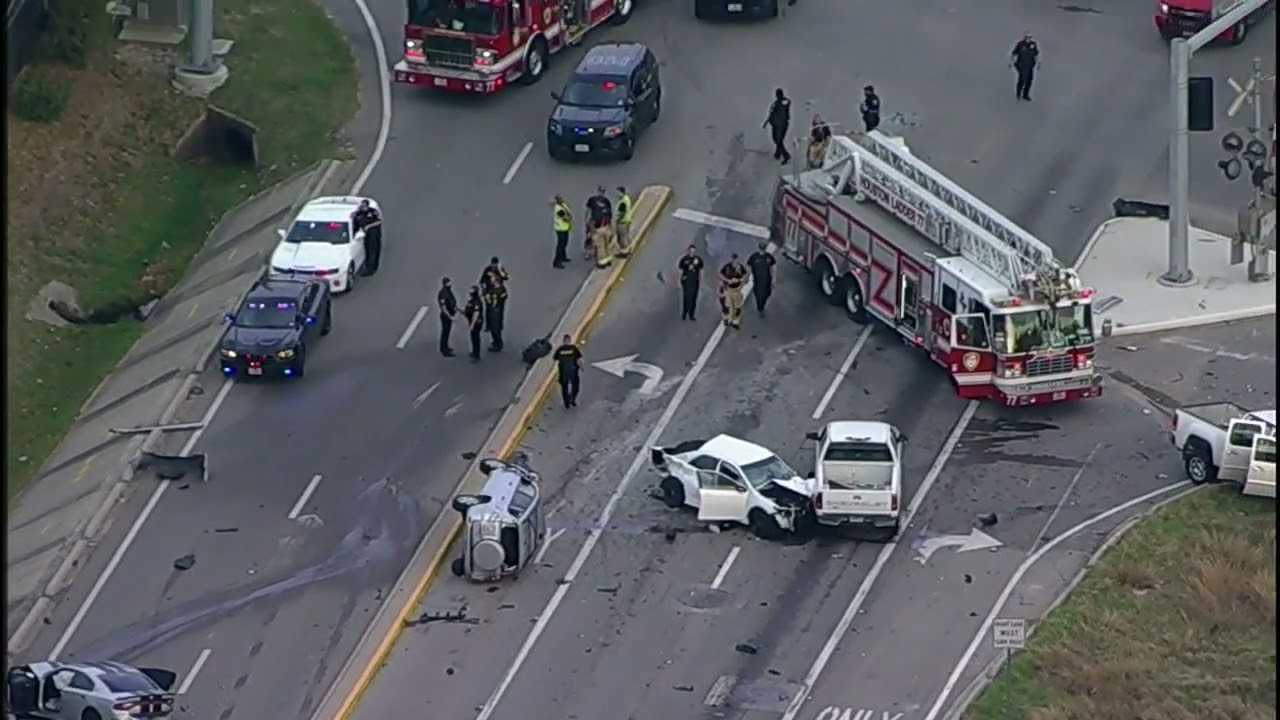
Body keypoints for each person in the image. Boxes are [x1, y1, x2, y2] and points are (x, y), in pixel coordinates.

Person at [479, 257, 509, 352]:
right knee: (488, 312)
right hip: (490, 292)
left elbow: (506, 277)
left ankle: (497, 342)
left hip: (496, 301)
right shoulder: (487, 270)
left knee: (496, 322)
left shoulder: (500, 271)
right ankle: (489, 325)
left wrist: (500, 270)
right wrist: (484, 291)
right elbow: (482, 280)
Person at [352, 199, 383, 275]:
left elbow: (379, 221)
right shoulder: (359, 214)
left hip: (374, 234)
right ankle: (369, 266)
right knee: (368, 251)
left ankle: (371, 269)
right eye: (362, 206)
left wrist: (369, 226)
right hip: (365, 235)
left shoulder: (373, 212)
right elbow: (354, 219)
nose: (363, 207)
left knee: (373, 251)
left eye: (364, 206)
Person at [585, 187, 615, 266]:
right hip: (595, 225)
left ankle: (603, 260)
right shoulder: (592, 200)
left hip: (603, 226)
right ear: (597, 191)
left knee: (603, 244)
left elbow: (610, 217)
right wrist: (586, 221)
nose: (600, 193)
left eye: (602, 192)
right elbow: (588, 210)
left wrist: (611, 228)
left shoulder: (606, 202)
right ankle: (589, 252)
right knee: (590, 238)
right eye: (599, 191)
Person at [763, 88, 792, 165]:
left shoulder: (784, 102)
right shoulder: (775, 103)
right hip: (775, 125)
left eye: (778, 94)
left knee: (779, 140)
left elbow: (787, 103)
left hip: (782, 125)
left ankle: (786, 156)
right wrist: (766, 122)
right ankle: (777, 154)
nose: (777, 96)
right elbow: (771, 114)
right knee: (776, 139)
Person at [553, 334, 583, 408]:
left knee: (564, 388)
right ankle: (572, 399)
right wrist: (581, 367)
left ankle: (567, 403)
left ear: (563, 341)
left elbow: (555, 359)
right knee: (575, 387)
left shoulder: (560, 349)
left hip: (563, 372)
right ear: (570, 340)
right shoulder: (574, 348)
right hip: (573, 371)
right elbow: (578, 359)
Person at [718, 253, 748, 329]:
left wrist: (740, 282)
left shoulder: (741, 267)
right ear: (731, 259)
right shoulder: (727, 267)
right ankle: (726, 318)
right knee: (725, 306)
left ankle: (735, 322)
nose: (734, 260)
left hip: (736, 290)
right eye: (733, 258)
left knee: (737, 307)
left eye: (736, 259)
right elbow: (720, 275)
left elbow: (745, 276)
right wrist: (728, 281)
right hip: (727, 289)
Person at [747, 242, 777, 316]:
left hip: (767, 280)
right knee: (757, 294)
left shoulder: (769, 257)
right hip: (757, 280)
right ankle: (760, 307)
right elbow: (749, 266)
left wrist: (773, 278)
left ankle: (762, 305)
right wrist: (748, 276)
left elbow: (773, 267)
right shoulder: (754, 257)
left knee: (767, 293)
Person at [677, 244, 703, 321]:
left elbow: (701, 271)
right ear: (688, 251)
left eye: (693, 251)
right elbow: (681, 271)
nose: (692, 253)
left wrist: (701, 281)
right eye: (691, 251)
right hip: (686, 280)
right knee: (686, 297)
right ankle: (685, 313)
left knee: (694, 298)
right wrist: (679, 280)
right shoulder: (684, 260)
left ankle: (692, 315)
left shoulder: (698, 259)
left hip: (695, 281)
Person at [1011, 33, 1039, 101]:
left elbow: (1036, 54)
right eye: (1026, 37)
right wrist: (1013, 63)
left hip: (1030, 66)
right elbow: (1014, 54)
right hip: (1022, 65)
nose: (1028, 39)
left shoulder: (1033, 44)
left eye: (1029, 37)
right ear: (1024, 37)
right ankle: (1018, 94)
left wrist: (1038, 63)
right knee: (1022, 80)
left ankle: (1025, 95)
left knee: (1029, 81)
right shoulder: (1020, 44)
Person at [436, 276, 458, 357]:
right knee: (445, 332)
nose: (450, 284)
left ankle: (446, 346)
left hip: (450, 314)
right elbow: (444, 307)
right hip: (446, 316)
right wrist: (450, 316)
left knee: (447, 332)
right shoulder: (443, 293)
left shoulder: (448, 291)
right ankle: (444, 349)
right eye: (449, 282)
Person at [463, 286, 485, 360]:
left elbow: (476, 314)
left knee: (476, 337)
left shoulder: (477, 302)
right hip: (471, 321)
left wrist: (472, 325)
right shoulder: (471, 300)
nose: (470, 293)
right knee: (473, 337)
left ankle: (477, 354)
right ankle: (474, 351)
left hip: (476, 322)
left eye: (471, 291)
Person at [552, 194, 573, 268]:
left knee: (565, 243)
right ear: (558, 201)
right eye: (560, 199)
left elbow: (568, 211)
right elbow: (565, 218)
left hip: (565, 228)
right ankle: (556, 262)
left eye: (562, 198)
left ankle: (563, 257)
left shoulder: (563, 205)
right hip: (560, 229)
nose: (563, 199)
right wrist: (569, 218)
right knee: (560, 245)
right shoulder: (558, 209)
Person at [614, 186, 634, 257]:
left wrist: (618, 220)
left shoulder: (623, 201)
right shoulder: (626, 198)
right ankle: (629, 249)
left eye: (618, 192)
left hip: (622, 221)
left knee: (622, 237)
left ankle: (624, 252)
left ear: (622, 192)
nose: (617, 194)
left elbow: (622, 213)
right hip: (627, 220)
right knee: (626, 235)